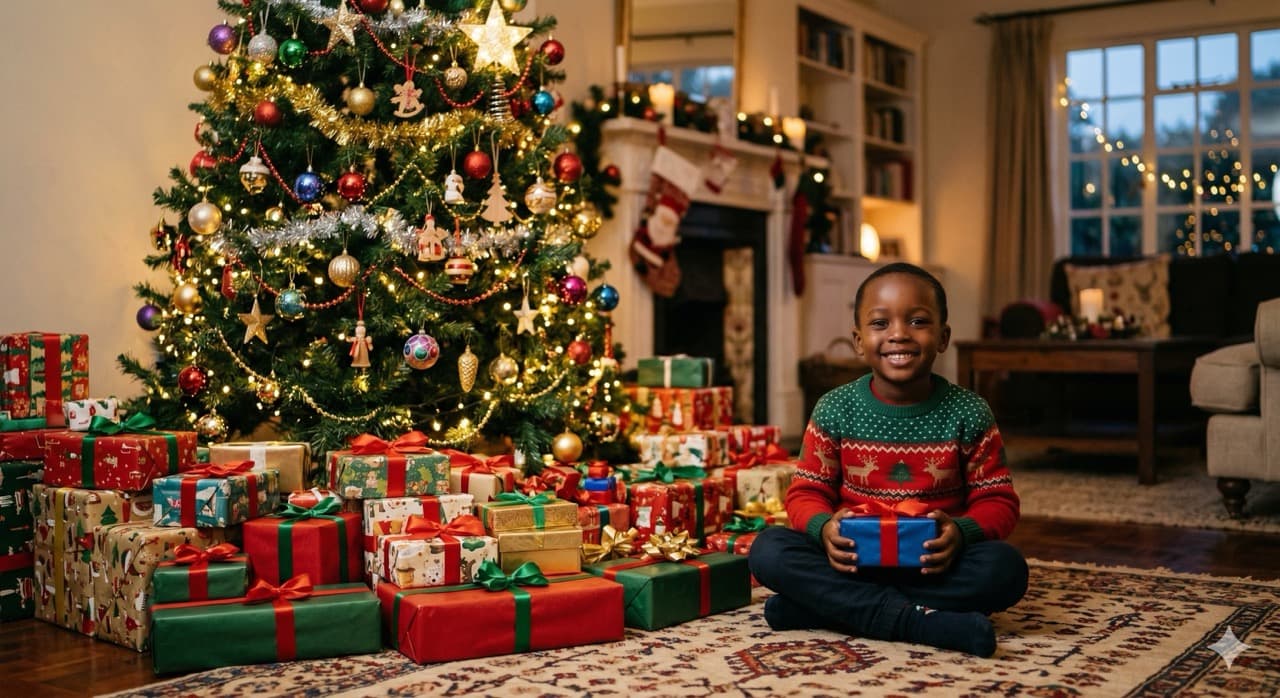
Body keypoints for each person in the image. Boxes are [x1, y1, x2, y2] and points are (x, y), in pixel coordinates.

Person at [748, 262, 1027, 657]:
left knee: (1006, 570)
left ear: (943, 337)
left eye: (917, 321)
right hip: (851, 560)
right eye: (880, 324)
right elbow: (806, 491)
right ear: (859, 341)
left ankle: (832, 607)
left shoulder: (968, 412)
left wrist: (961, 533)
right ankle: (917, 622)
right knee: (768, 551)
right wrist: (824, 527)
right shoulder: (835, 408)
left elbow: (998, 501)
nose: (898, 334)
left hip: (932, 564)